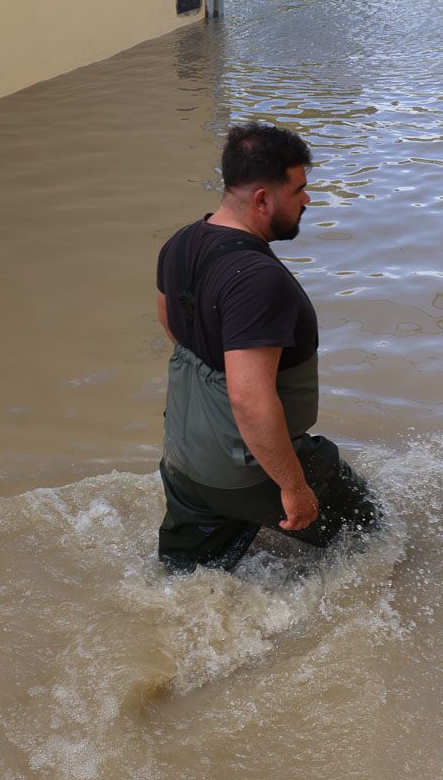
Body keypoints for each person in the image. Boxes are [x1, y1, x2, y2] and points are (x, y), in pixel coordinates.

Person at [153, 122, 380, 572]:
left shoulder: (179, 243)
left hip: (183, 457)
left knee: (186, 581)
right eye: (298, 191)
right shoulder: (258, 280)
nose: (307, 201)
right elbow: (248, 397)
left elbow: (173, 326)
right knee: (372, 539)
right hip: (248, 471)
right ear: (262, 199)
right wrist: (293, 488)